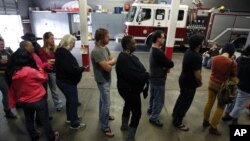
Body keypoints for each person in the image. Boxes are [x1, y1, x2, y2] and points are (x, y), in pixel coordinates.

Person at [6, 45, 59, 141]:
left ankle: (34, 136)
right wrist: (39, 67)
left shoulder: (13, 72)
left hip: (24, 101)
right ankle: (51, 137)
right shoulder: (30, 71)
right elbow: (43, 78)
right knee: (45, 119)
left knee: (29, 119)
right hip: (38, 99)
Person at [116, 35, 149, 141]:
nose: (136, 45)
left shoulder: (129, 56)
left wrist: (143, 73)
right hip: (129, 90)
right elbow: (134, 76)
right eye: (134, 43)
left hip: (127, 89)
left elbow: (139, 70)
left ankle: (124, 126)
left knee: (128, 104)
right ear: (127, 45)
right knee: (137, 113)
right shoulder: (124, 59)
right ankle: (130, 137)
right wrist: (146, 75)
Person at [203, 43, 237, 135]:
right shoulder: (232, 62)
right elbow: (233, 76)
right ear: (232, 52)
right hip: (222, 87)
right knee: (220, 107)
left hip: (211, 83)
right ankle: (213, 127)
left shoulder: (214, 58)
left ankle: (205, 121)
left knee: (209, 102)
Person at [172, 34, 204, 131]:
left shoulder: (188, 51)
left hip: (183, 79)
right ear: (199, 45)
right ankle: (177, 122)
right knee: (185, 103)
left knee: (182, 98)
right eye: (201, 42)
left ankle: (175, 113)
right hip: (189, 83)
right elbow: (197, 75)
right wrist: (200, 82)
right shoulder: (196, 57)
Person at [55, 34, 86, 129]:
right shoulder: (64, 54)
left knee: (70, 101)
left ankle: (71, 117)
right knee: (73, 102)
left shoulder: (61, 52)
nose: (74, 46)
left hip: (63, 81)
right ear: (69, 43)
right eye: (73, 43)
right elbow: (71, 70)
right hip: (67, 82)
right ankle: (74, 123)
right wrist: (81, 69)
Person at [91, 28, 116, 137]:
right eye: (107, 36)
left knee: (103, 100)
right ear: (101, 39)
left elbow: (113, 60)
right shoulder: (96, 51)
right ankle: (105, 127)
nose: (109, 37)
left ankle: (103, 117)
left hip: (107, 79)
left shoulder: (105, 48)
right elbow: (108, 68)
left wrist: (108, 62)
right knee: (106, 103)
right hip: (102, 80)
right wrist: (109, 63)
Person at [147, 30, 174, 127]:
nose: (164, 39)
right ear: (158, 39)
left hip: (153, 77)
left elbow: (163, 63)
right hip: (158, 79)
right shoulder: (158, 52)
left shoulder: (153, 49)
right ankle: (154, 118)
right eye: (163, 37)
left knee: (153, 96)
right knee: (159, 100)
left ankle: (150, 110)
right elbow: (170, 64)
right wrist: (167, 64)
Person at [39, 32, 63, 111]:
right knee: (53, 89)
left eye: (53, 38)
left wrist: (53, 60)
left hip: (56, 70)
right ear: (46, 40)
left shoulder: (55, 48)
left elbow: (59, 58)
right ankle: (57, 104)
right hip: (48, 72)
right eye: (51, 38)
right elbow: (43, 62)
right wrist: (49, 61)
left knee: (57, 88)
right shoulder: (42, 50)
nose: (53, 40)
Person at [229, 45, 250, 124]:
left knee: (234, 101)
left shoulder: (239, 59)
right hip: (246, 87)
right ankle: (234, 120)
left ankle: (228, 114)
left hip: (237, 83)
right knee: (240, 105)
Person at [0, 37, 17, 118]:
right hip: (1, 77)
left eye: (2, 44)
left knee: (13, 90)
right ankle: (7, 111)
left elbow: (12, 59)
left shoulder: (6, 52)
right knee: (6, 93)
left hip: (8, 74)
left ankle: (17, 103)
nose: (1, 45)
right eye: (0, 44)